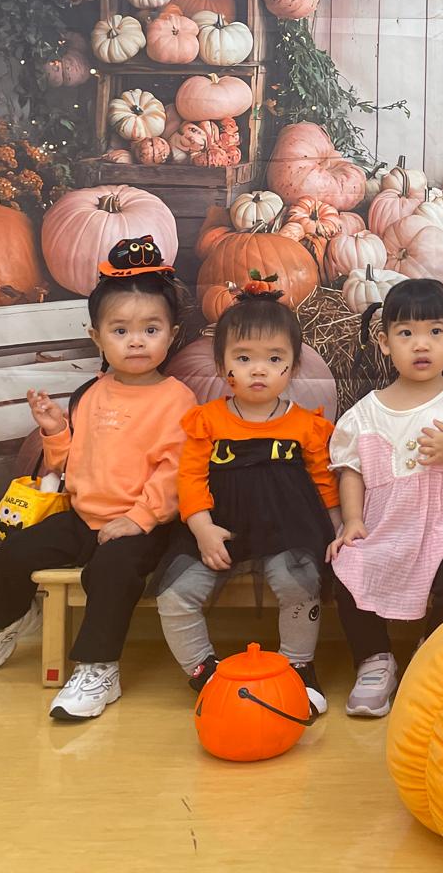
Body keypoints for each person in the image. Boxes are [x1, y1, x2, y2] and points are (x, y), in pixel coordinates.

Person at [0, 236, 195, 721]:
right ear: (97, 338)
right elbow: (69, 463)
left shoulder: (177, 399)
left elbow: (175, 471)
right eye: (121, 330)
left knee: (110, 573)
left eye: (151, 329)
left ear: (172, 335)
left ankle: (98, 667)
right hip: (82, 515)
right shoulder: (91, 392)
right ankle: (6, 619)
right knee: (14, 552)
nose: (136, 341)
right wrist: (55, 431)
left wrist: (140, 518)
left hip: (140, 525)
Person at [153, 279, 337, 714]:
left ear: (293, 366)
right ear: (221, 366)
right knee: (174, 594)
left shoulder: (305, 425)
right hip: (220, 528)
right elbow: (190, 477)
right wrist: (202, 528)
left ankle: (298, 666)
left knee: (300, 583)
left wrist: (337, 526)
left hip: (287, 527)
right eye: (243, 358)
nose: (259, 370)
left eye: (274, 359)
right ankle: (203, 670)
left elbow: (324, 481)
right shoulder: (207, 421)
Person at [326, 278, 443, 718]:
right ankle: (374, 659)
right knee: (349, 567)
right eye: (406, 333)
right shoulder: (364, 414)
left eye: (435, 332)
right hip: (388, 525)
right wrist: (352, 522)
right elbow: (351, 472)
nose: (421, 344)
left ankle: (434, 650)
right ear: (385, 343)